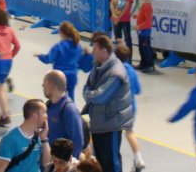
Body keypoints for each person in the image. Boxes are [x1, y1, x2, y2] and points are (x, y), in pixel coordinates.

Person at [82, 34, 133, 172]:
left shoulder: (116, 73)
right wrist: (90, 93)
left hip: (110, 126)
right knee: (100, 164)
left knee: (111, 164)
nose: (92, 52)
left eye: (95, 49)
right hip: (99, 123)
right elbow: (87, 88)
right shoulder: (98, 67)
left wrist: (89, 94)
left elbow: (100, 96)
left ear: (104, 51)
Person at [0, 7, 21, 127]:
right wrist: (10, 55)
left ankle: (5, 115)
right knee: (0, 87)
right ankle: (3, 113)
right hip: (8, 62)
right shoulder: (10, 30)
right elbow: (17, 46)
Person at [0, 99, 51, 172]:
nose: (47, 116)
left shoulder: (39, 136)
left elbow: (47, 164)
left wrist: (44, 139)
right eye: (44, 112)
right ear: (35, 116)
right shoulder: (11, 138)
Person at [37, 23, 86, 101]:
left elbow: (48, 59)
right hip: (72, 77)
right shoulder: (78, 46)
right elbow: (81, 62)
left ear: (62, 33)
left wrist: (40, 56)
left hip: (59, 78)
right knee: (71, 99)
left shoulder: (59, 46)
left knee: (57, 99)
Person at [43, 70, 85, 158]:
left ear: (52, 86)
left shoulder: (69, 110)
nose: (43, 86)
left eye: (45, 84)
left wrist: (67, 166)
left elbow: (77, 142)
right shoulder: (49, 105)